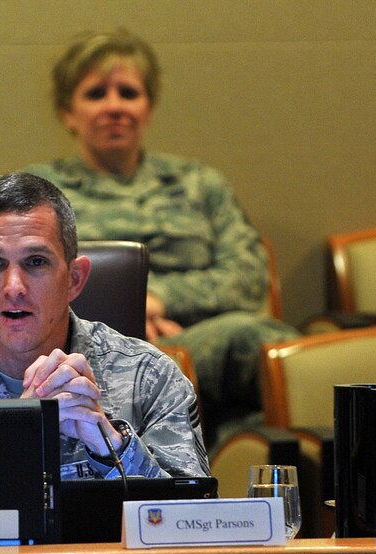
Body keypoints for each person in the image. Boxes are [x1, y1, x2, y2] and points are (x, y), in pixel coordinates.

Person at [22, 29, 300, 445]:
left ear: (148, 107)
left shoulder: (199, 184)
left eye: (128, 93)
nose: (115, 106)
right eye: (96, 93)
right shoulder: (41, 193)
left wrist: (160, 298)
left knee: (269, 353)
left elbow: (247, 277)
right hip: (93, 348)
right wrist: (129, 310)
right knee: (251, 336)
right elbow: (23, 282)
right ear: (67, 112)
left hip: (205, 341)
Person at [0, 172, 209, 480]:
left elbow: (194, 527)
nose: (13, 286)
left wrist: (112, 448)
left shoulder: (149, 378)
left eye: (35, 262)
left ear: (75, 278)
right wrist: (16, 435)